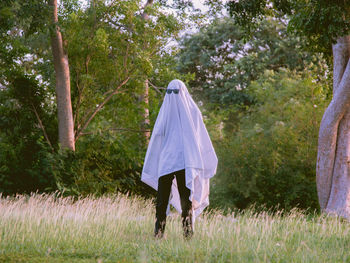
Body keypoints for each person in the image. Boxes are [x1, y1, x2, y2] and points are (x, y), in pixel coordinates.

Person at [141, 79, 218, 239]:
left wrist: (200, 161)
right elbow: (157, 138)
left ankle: (188, 234)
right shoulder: (165, 112)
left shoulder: (193, 112)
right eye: (170, 92)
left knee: (186, 201)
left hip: (185, 163)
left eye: (176, 92)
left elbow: (200, 138)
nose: (173, 96)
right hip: (167, 162)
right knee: (162, 201)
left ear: (183, 93)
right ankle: (158, 233)